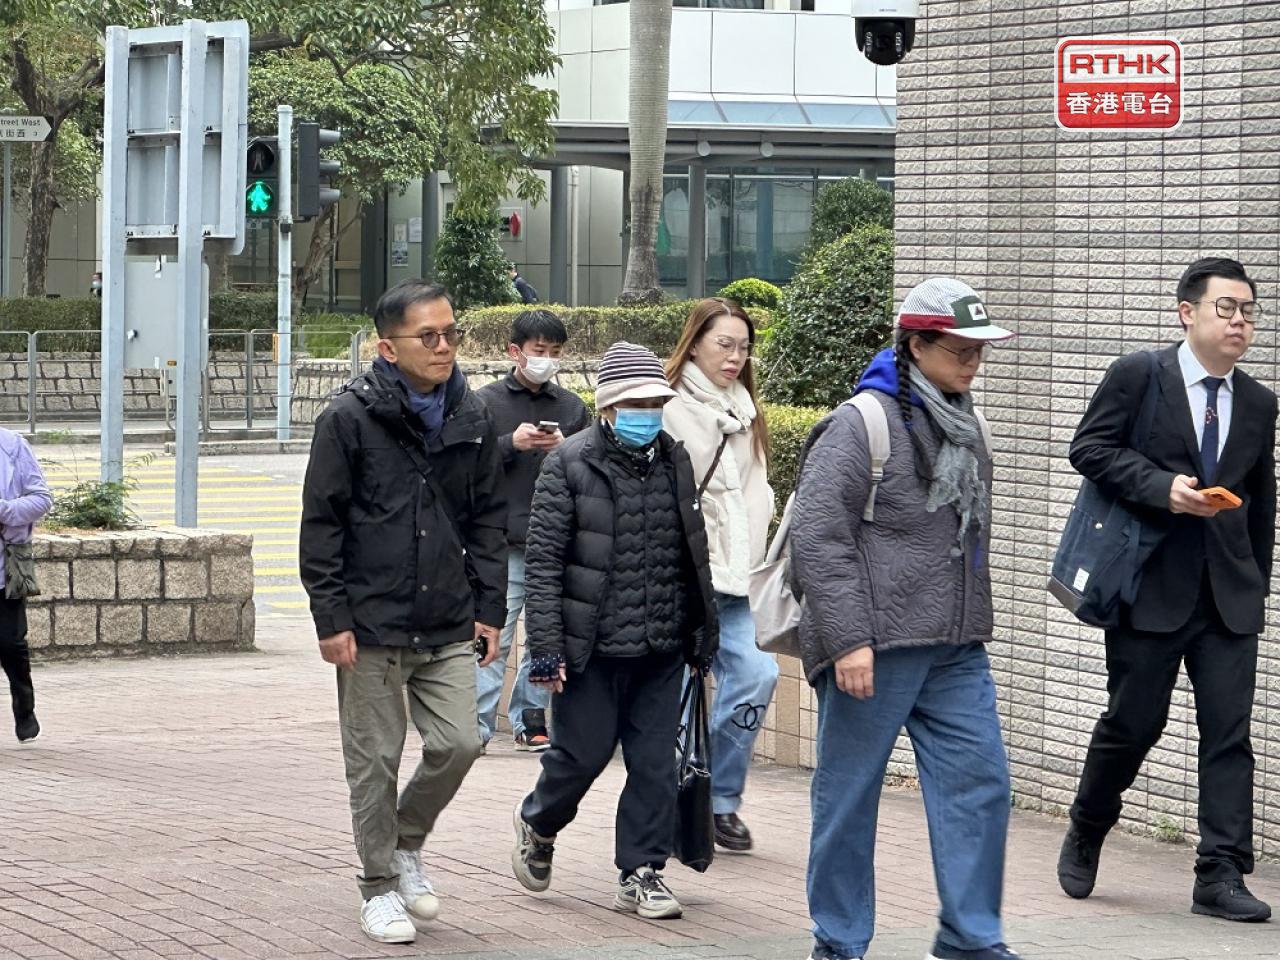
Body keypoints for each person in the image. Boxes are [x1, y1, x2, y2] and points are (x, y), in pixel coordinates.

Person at [792, 277, 1020, 960]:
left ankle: (969, 939)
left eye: (978, 351)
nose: (973, 364)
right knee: (849, 798)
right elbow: (818, 536)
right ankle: (838, 942)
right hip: (874, 644)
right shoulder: (859, 423)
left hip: (955, 645)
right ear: (916, 347)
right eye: (959, 351)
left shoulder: (967, 424)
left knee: (981, 783)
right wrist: (848, 639)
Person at [1057, 257, 1277, 923]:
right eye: (1225, 308)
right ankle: (1089, 822)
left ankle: (1220, 873)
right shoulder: (1139, 375)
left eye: (1248, 311)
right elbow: (1089, 448)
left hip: (1228, 596)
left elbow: (1261, 502)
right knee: (1132, 724)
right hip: (1149, 586)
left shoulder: (1260, 402)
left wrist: (1257, 584)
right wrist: (1163, 489)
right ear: (1188, 313)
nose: (1239, 322)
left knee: (1229, 734)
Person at [299, 279, 508, 946]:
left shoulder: (472, 415)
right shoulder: (348, 419)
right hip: (370, 624)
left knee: (461, 741)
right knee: (375, 762)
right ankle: (378, 887)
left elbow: (488, 520)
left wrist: (490, 608)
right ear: (387, 347)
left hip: (448, 617)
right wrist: (331, 618)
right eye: (428, 336)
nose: (444, 347)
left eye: (451, 333)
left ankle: (405, 842)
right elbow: (322, 525)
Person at [510, 341, 718, 921]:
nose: (647, 413)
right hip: (591, 648)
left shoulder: (675, 460)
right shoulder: (569, 463)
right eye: (635, 403)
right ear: (607, 407)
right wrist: (546, 648)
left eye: (655, 403)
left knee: (654, 764)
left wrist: (703, 632)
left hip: (660, 643)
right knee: (580, 757)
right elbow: (544, 563)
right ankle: (539, 822)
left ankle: (641, 871)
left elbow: (692, 551)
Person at [661, 297, 778, 853]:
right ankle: (678, 802)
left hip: (741, 580)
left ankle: (719, 795)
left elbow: (755, 492)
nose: (735, 357)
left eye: (744, 347)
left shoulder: (747, 409)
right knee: (682, 696)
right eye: (724, 345)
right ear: (694, 345)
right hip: (684, 579)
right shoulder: (667, 407)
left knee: (758, 676)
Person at [475, 309, 590, 752]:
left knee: (547, 635)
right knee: (493, 635)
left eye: (555, 352)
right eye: (540, 350)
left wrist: (567, 449)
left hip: (556, 542)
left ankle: (531, 718)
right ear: (515, 351)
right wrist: (510, 444)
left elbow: (592, 469)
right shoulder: (485, 403)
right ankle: (477, 725)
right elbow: (463, 465)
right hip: (501, 543)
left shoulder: (572, 408)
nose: (547, 360)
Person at [0, 427, 52, 743]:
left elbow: (41, 498)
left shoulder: (12, 446)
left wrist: (4, 510)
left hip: (4, 570)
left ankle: (24, 705)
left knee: (10, 643)